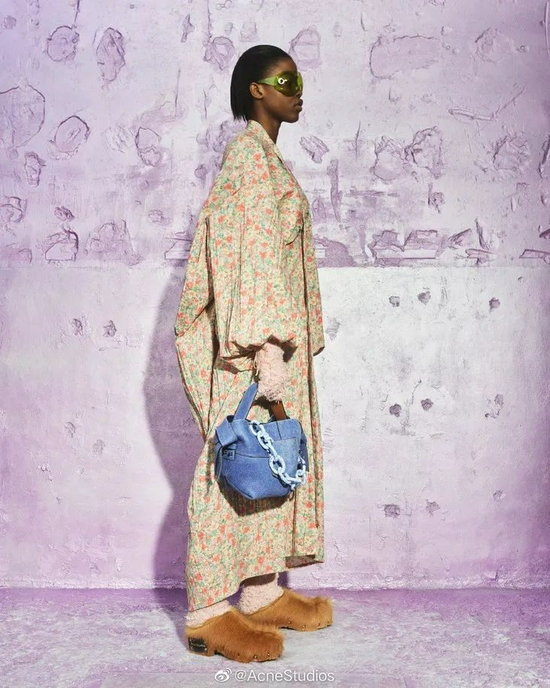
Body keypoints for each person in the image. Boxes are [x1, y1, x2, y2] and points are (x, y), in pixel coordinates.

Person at [174, 44, 332, 663]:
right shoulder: (247, 158)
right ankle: (206, 615)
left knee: (270, 463)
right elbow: (247, 253)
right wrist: (265, 345)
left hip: (271, 340)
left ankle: (262, 592)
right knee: (231, 461)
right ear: (256, 91)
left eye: (300, 80)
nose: (298, 91)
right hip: (250, 344)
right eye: (285, 81)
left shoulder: (268, 160)